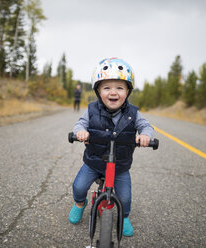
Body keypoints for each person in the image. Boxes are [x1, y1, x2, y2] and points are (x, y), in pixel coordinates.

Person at [68, 57, 154, 237]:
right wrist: (81, 132)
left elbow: (146, 126)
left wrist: (145, 136)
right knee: (79, 186)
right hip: (93, 162)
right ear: (98, 91)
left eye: (120, 88)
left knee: (125, 197)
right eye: (107, 87)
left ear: (128, 91)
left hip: (120, 165)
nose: (113, 92)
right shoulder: (91, 110)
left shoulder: (133, 114)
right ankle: (79, 204)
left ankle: (124, 217)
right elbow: (80, 124)